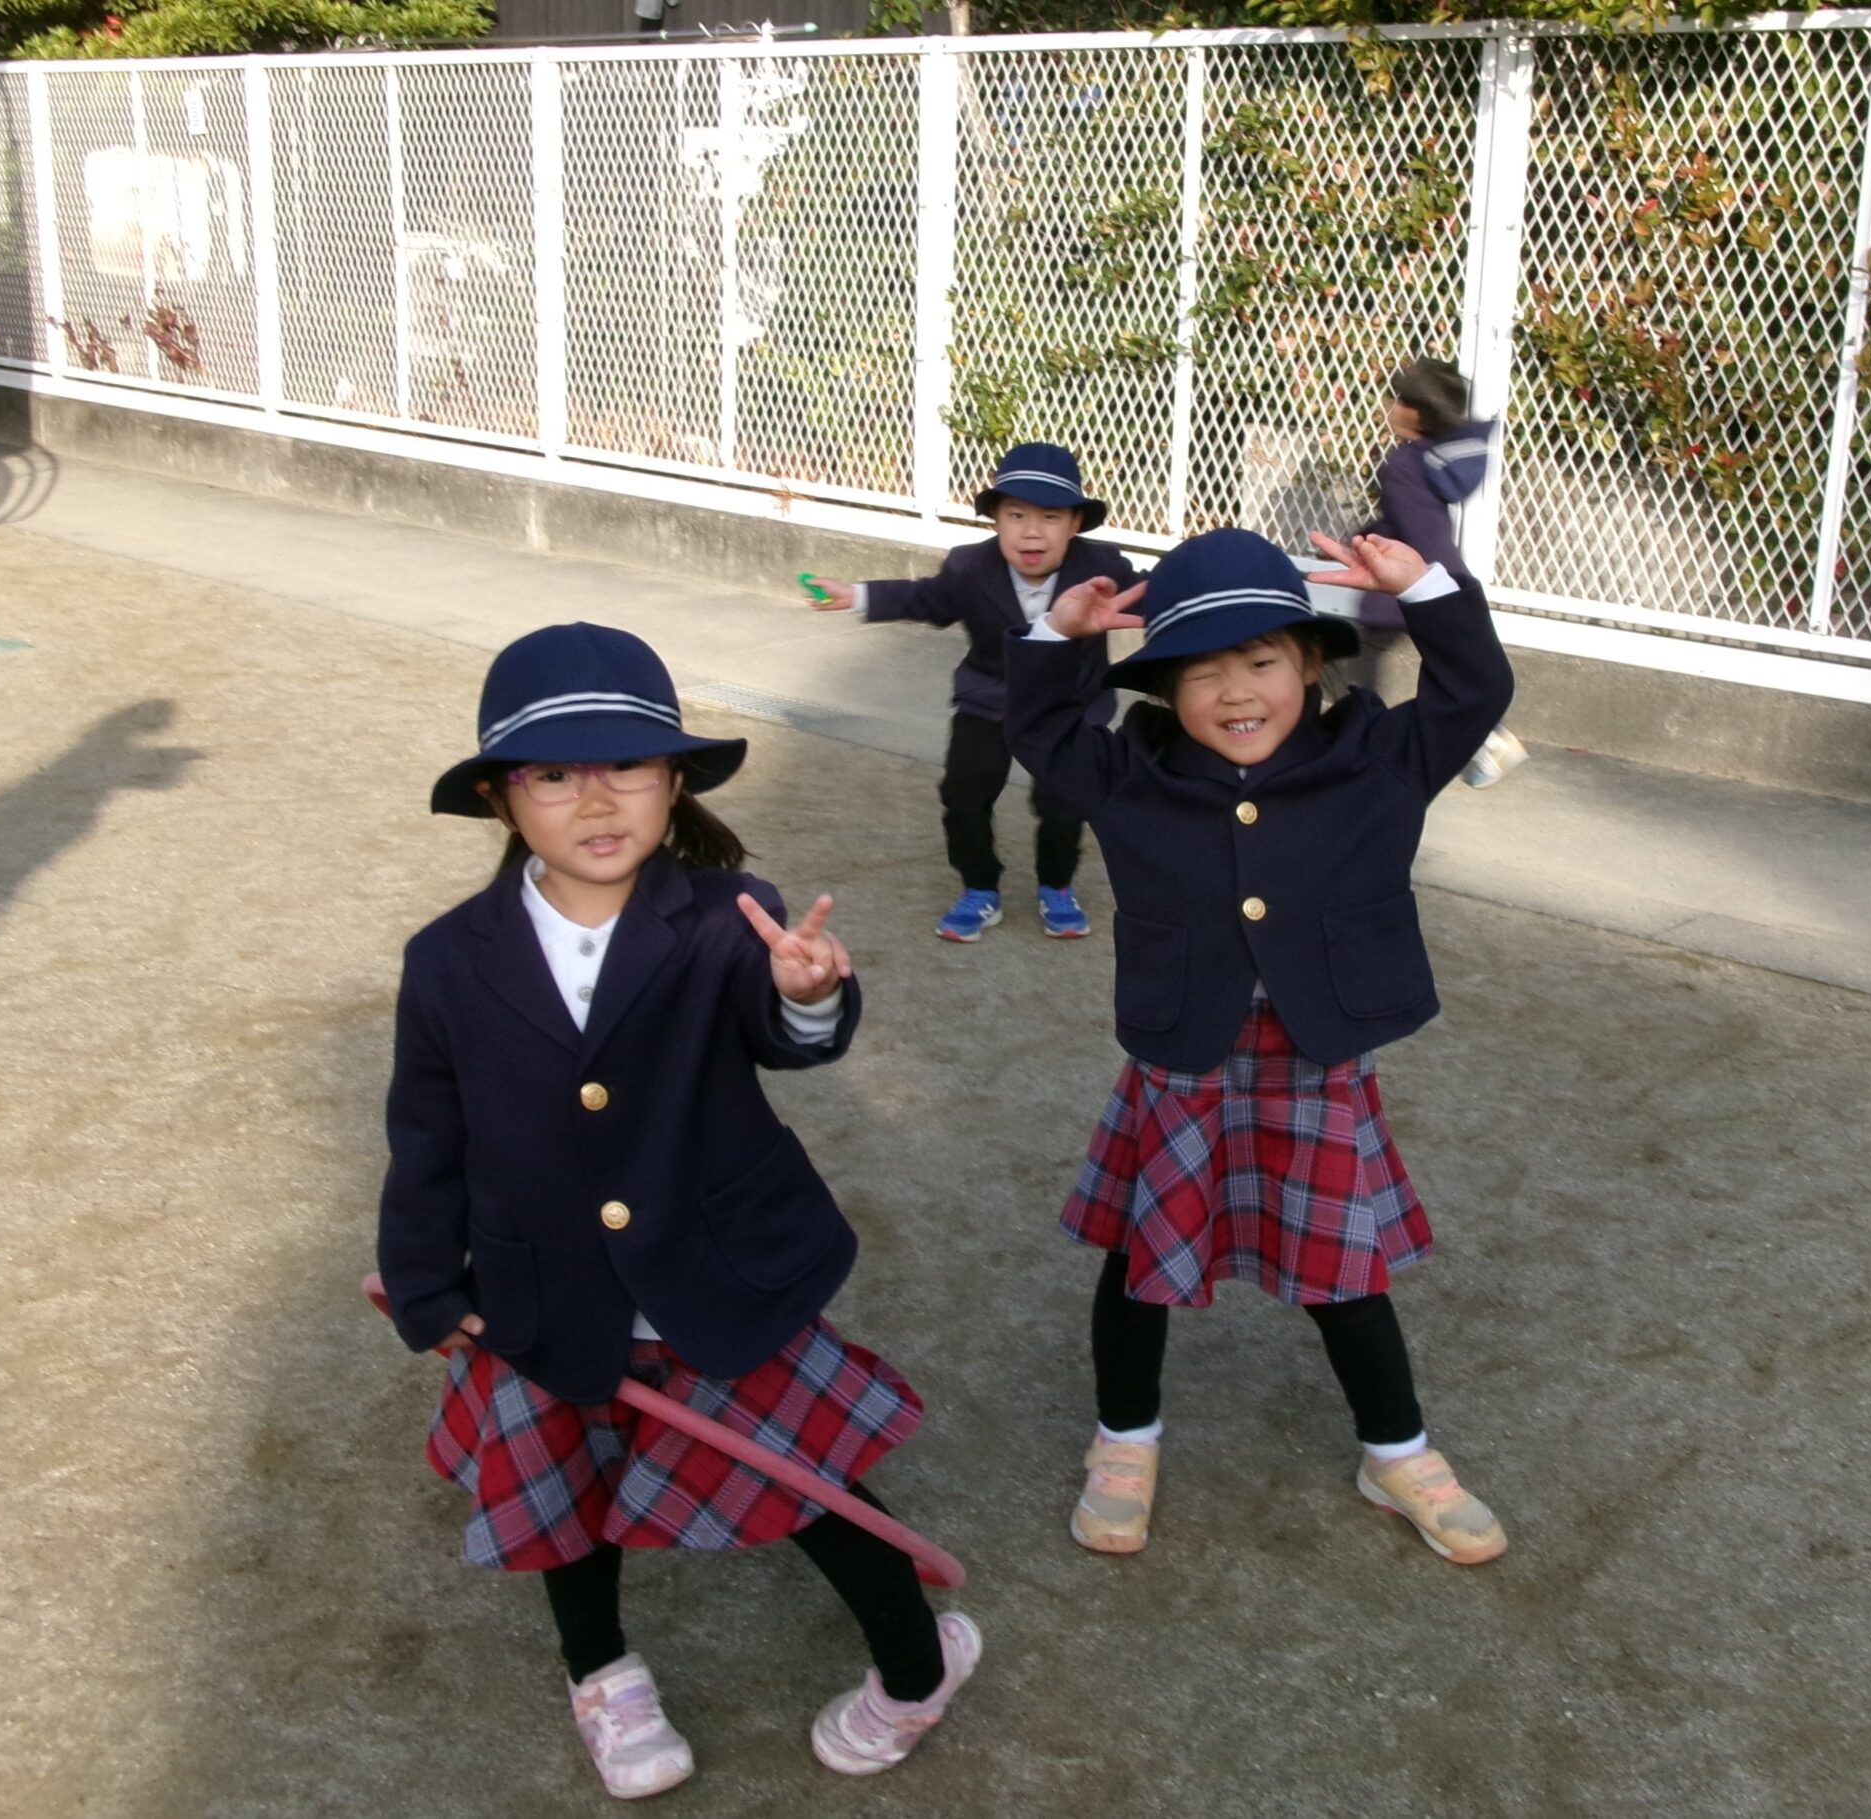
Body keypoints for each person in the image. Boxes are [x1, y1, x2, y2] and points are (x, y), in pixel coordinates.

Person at [376, 622, 978, 1797]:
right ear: (501, 797)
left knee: (807, 1484)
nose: (597, 798)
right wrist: (425, 1282)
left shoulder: (725, 916)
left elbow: (781, 1034)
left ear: (674, 783)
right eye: (556, 773)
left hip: (714, 1271)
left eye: (629, 766)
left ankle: (918, 1668)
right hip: (543, 1288)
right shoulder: (447, 958)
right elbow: (426, 1136)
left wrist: (804, 994)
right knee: (563, 1496)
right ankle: (600, 1672)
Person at [1004, 527, 1514, 1568]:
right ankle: (1124, 1437)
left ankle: (1396, 1449)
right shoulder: (1131, 772)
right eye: (1202, 672)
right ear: (1164, 690)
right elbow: (1041, 728)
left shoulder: (1379, 760)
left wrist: (1426, 585)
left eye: (1262, 660)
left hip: (1316, 1058)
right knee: (1141, 1259)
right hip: (1180, 1056)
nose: (1236, 692)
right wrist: (1058, 634)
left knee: (1344, 1266)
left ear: (1311, 663)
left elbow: (1474, 690)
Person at [807, 443, 1140, 941]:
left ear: (1075, 524)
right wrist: (857, 595)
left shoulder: (1102, 568)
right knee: (963, 795)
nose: (1031, 531)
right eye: (1016, 515)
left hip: (1072, 705)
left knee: (1065, 801)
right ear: (996, 520)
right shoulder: (970, 568)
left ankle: (1056, 885)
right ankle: (979, 888)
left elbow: (1155, 594)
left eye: (1050, 516)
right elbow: (923, 597)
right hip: (989, 701)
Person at [1353, 358, 1528, 789]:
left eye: (1399, 400)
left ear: (1420, 411)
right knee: (1442, 665)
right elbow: (1414, 520)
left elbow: (1414, 526)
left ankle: (1365, 749)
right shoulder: (1435, 459)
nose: (1390, 407)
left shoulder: (1404, 465)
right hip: (1440, 574)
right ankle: (1487, 737)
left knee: (1365, 659)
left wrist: (1414, 577)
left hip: (1411, 580)